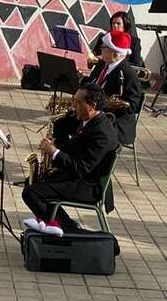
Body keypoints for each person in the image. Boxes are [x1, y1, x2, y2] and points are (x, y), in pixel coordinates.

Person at [22, 83, 119, 237]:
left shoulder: (101, 133)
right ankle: (62, 224)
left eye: (78, 103)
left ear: (91, 106)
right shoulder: (90, 120)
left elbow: (81, 168)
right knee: (32, 181)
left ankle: (67, 229)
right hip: (79, 177)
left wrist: (54, 152)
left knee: (31, 193)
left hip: (89, 185)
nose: (73, 106)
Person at [87, 30, 141, 146]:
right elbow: (90, 82)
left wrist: (108, 103)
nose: (101, 48)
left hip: (115, 122)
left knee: (86, 133)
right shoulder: (102, 64)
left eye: (104, 46)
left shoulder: (128, 74)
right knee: (62, 123)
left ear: (115, 53)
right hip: (96, 114)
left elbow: (133, 105)